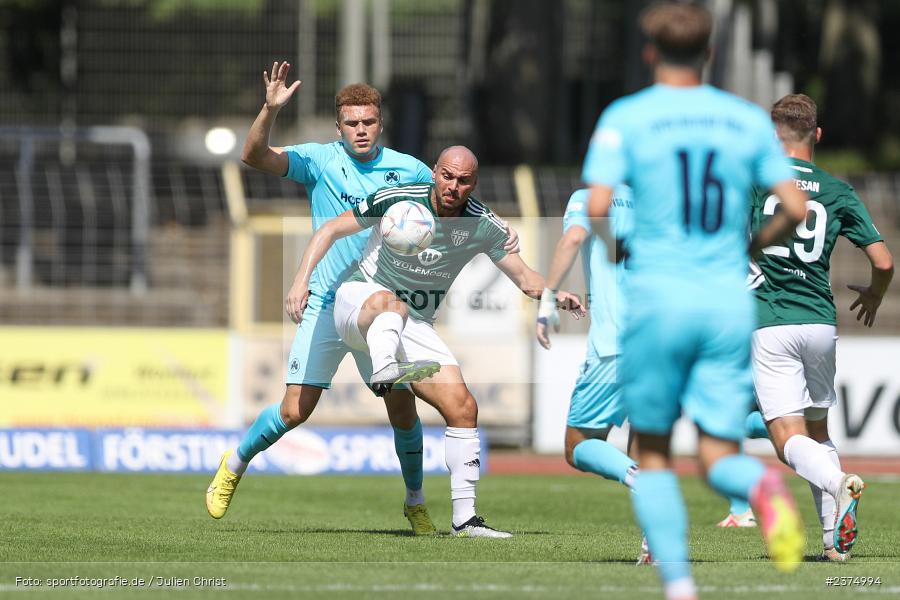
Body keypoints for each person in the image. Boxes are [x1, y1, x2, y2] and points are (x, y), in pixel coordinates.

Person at [205, 62, 519, 535]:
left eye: (368, 122)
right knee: (295, 411)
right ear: (339, 127)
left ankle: (416, 503)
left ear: (380, 123)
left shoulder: (410, 170)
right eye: (351, 123)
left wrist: (498, 228)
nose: (360, 130)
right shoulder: (320, 160)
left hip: (386, 308)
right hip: (331, 304)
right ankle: (237, 459)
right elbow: (254, 156)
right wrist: (268, 111)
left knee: (403, 410)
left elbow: (454, 201)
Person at [584, 4, 809, 599]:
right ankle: (761, 488)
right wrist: (754, 247)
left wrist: (612, 250)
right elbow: (795, 206)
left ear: (650, 53)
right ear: (710, 53)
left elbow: (599, 206)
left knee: (653, 449)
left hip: (659, 297)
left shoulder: (627, 116)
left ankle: (679, 586)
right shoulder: (742, 120)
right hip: (726, 303)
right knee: (717, 452)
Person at [287, 145, 585, 537]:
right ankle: (385, 369)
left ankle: (465, 520)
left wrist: (555, 294)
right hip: (359, 299)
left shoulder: (481, 223)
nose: (453, 186)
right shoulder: (396, 200)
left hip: (414, 322)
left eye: (463, 181)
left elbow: (526, 278)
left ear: (473, 184)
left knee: (463, 407)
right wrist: (301, 279)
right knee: (389, 305)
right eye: (447, 175)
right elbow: (329, 229)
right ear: (434, 172)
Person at [746, 93, 893, 560]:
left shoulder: (756, 182)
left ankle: (838, 483)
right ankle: (834, 544)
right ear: (819, 136)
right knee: (819, 432)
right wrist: (874, 295)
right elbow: (884, 261)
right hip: (819, 323)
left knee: (787, 439)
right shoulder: (837, 190)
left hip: (771, 321)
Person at [535, 187, 649, 562]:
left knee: (578, 445)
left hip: (615, 344)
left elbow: (573, 236)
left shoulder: (590, 197)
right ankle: (655, 546)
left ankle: (637, 481)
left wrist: (548, 297)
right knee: (645, 442)